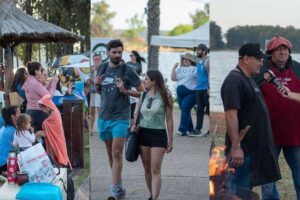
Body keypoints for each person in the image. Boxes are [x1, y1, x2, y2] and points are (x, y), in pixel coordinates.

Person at [220, 43, 281, 193]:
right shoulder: (234, 80)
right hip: (242, 152)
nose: (262, 62)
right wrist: (236, 148)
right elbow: (230, 115)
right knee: (238, 192)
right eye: (258, 59)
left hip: (254, 150)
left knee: (246, 191)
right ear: (246, 59)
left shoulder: (248, 78)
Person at [94, 39, 144, 199]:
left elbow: (143, 92)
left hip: (121, 118)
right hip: (104, 117)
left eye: (119, 52)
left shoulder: (128, 70)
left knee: (116, 153)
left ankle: (113, 190)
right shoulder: (101, 67)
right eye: (114, 52)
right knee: (110, 153)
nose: (117, 55)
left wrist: (126, 91)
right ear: (108, 52)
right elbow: (100, 90)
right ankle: (119, 185)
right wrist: (96, 85)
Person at [254, 35, 300, 200]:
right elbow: (249, 94)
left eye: (285, 49)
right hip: (268, 134)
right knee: (268, 179)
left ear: (289, 51)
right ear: (270, 53)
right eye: (278, 49)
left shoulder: (297, 69)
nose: (282, 52)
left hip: (295, 134)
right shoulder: (260, 71)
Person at [132, 70, 173, 200]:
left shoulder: (165, 95)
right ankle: (152, 194)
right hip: (143, 133)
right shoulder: (143, 95)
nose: (144, 81)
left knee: (155, 168)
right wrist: (134, 125)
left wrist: (170, 140)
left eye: (146, 79)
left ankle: (155, 198)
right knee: (147, 168)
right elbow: (136, 114)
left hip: (158, 134)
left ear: (154, 81)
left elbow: (170, 119)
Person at [36, 95, 71, 167]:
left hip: (57, 138)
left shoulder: (54, 116)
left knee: (57, 155)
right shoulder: (54, 114)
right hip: (54, 139)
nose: (42, 111)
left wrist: (39, 133)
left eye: (43, 108)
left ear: (47, 106)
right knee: (55, 155)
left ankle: (59, 170)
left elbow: (51, 131)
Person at [22, 62, 58, 132]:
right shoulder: (35, 83)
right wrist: (54, 83)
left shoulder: (29, 81)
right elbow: (48, 97)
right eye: (40, 70)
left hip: (30, 112)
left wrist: (50, 83)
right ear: (36, 71)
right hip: (38, 113)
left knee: (35, 136)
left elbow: (43, 93)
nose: (41, 72)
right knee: (42, 135)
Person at [171, 53, 197, 136]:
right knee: (184, 110)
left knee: (185, 108)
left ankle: (182, 130)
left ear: (191, 61)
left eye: (187, 59)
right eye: (184, 59)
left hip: (191, 92)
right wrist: (174, 68)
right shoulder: (179, 69)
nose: (185, 60)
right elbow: (173, 78)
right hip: (180, 93)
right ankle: (190, 129)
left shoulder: (195, 69)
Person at [188, 44, 210, 137]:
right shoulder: (198, 60)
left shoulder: (207, 61)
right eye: (197, 50)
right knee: (199, 110)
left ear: (204, 51)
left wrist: (210, 88)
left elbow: (210, 74)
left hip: (206, 89)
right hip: (199, 89)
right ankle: (198, 129)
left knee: (209, 110)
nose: (197, 52)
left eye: (199, 50)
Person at [0, 106, 20, 174]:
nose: (21, 115)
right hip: (4, 163)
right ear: (13, 116)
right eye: (19, 113)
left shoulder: (5, 128)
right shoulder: (12, 131)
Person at [90, 53, 102, 134]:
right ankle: (91, 129)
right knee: (91, 112)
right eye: (95, 59)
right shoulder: (90, 69)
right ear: (93, 60)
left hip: (99, 92)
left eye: (98, 59)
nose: (97, 61)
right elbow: (89, 80)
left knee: (99, 111)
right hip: (91, 92)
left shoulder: (103, 68)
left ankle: (101, 129)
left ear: (101, 60)